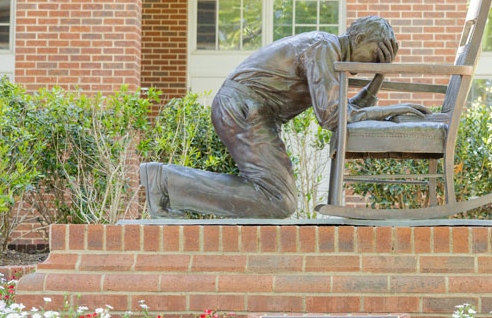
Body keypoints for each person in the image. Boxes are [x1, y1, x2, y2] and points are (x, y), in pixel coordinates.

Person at [140, 15, 430, 218]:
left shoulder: (330, 53)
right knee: (279, 201)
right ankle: (164, 180)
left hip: (255, 112)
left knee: (280, 201)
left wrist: (380, 77)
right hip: (244, 108)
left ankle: (167, 182)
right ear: (361, 37)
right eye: (376, 55)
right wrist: (393, 109)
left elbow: (346, 111)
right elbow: (334, 117)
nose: (375, 63)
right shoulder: (323, 48)